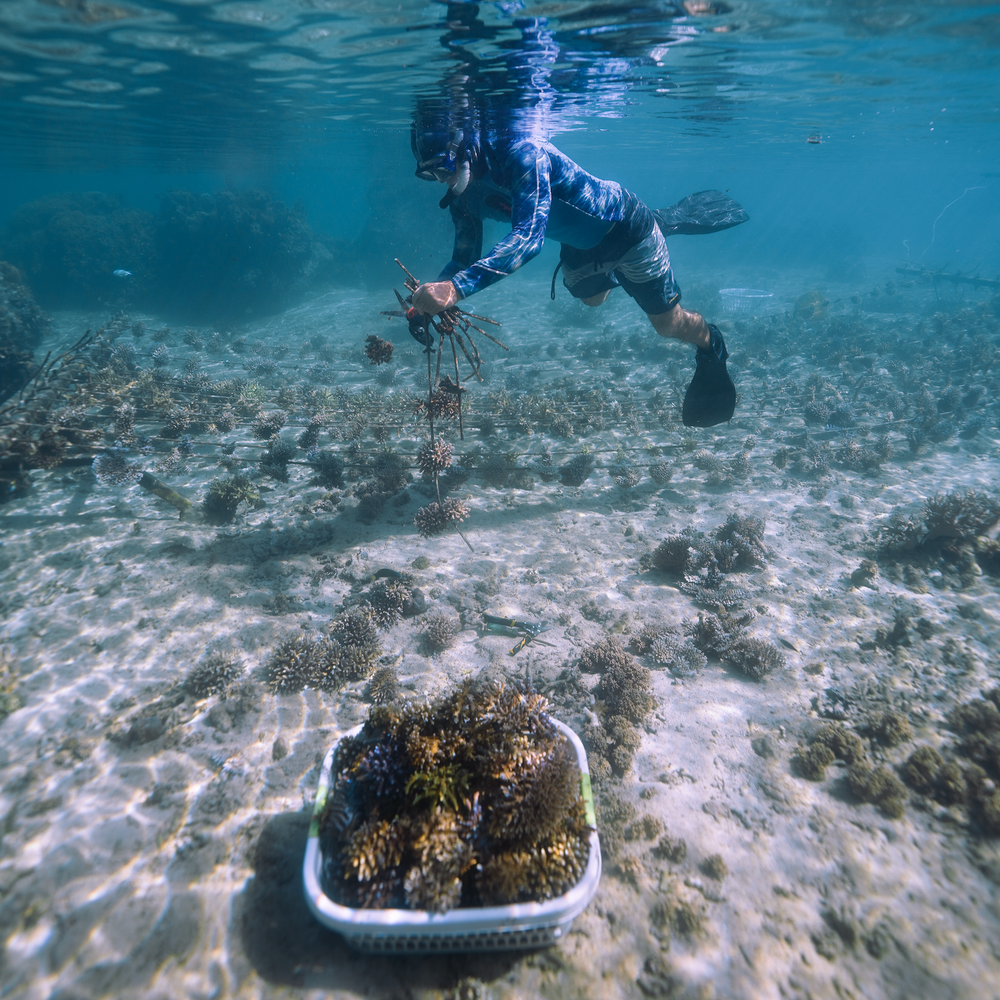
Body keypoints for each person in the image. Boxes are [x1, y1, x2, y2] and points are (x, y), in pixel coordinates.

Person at [409, 125, 738, 428]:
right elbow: (462, 257)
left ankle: (712, 345)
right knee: (591, 300)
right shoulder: (462, 197)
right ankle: (625, 271)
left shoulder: (523, 155)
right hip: (579, 245)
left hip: (626, 230)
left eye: (442, 169)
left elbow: (528, 239)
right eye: (430, 175)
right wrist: (426, 303)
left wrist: (455, 288)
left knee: (668, 326)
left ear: (464, 150)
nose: (441, 181)